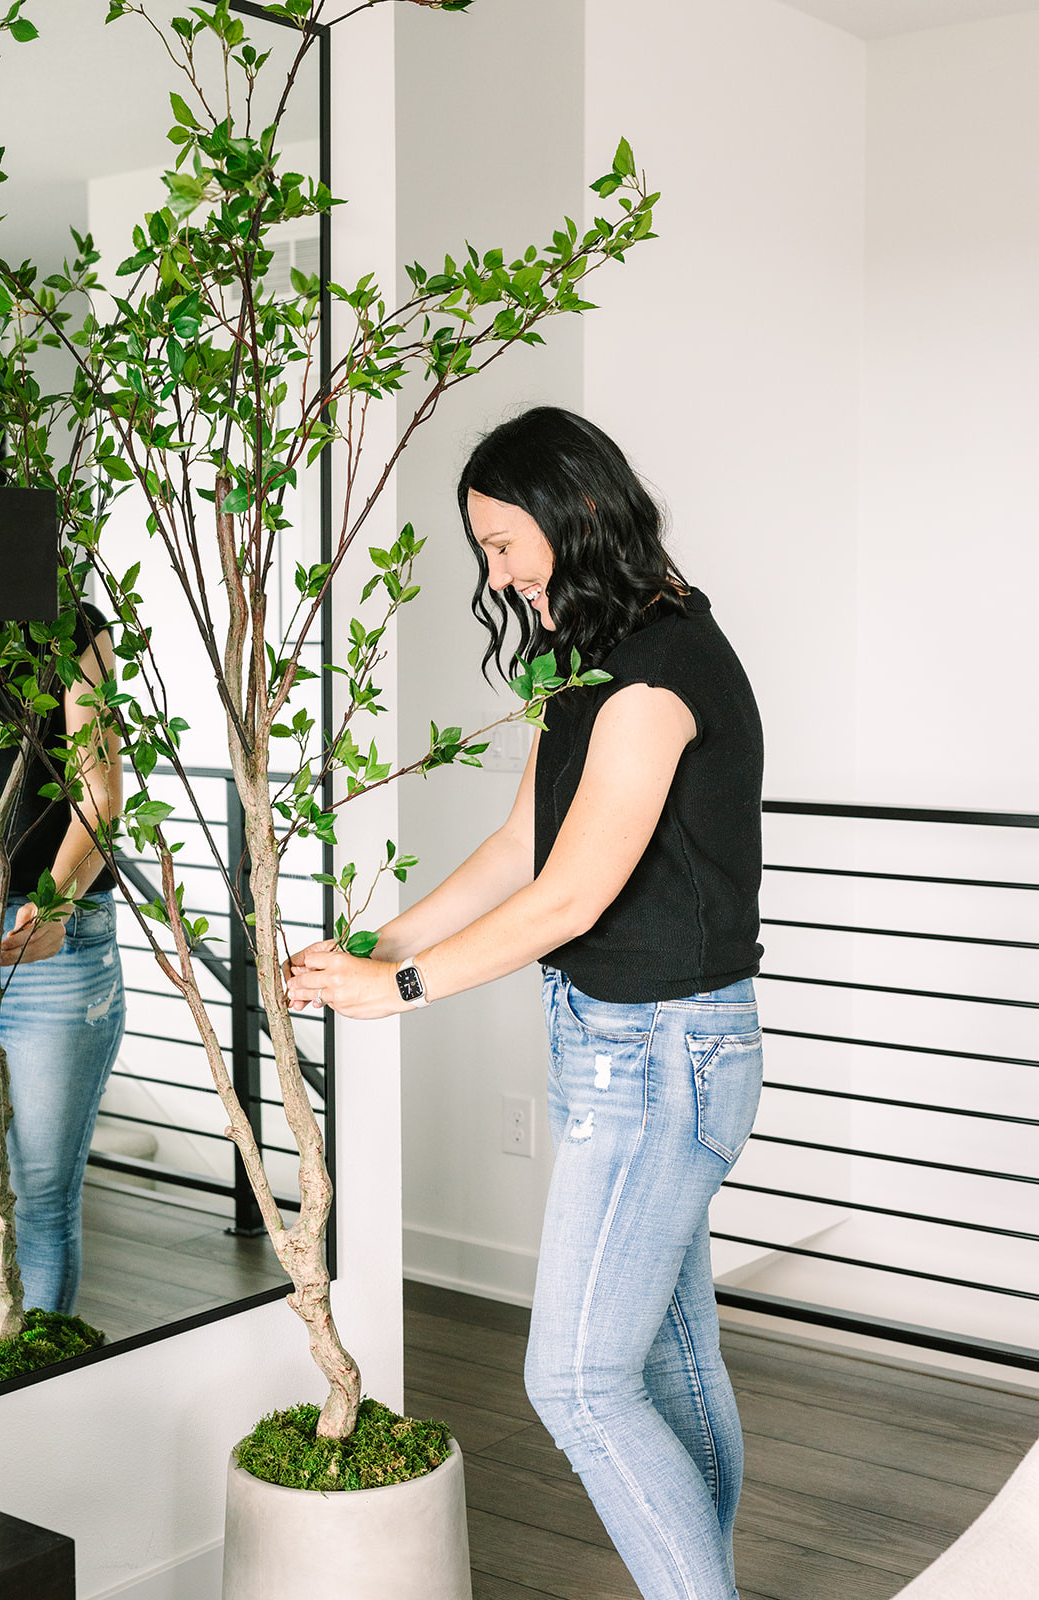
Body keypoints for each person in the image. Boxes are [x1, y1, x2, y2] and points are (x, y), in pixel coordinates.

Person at [285, 406, 764, 1600]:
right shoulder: (591, 653)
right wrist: (380, 936)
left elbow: (567, 898)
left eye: (503, 543)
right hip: (621, 1045)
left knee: (576, 1384)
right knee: (671, 1357)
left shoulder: (661, 671)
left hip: (665, 1054)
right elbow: (520, 844)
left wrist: (397, 990)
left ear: (575, 511)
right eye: (484, 550)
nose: (494, 572)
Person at [0, 600, 125, 1316]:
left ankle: (32, 1398)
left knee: (39, 1194)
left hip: (50, 943)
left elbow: (98, 792)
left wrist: (56, 904)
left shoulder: (68, 628)